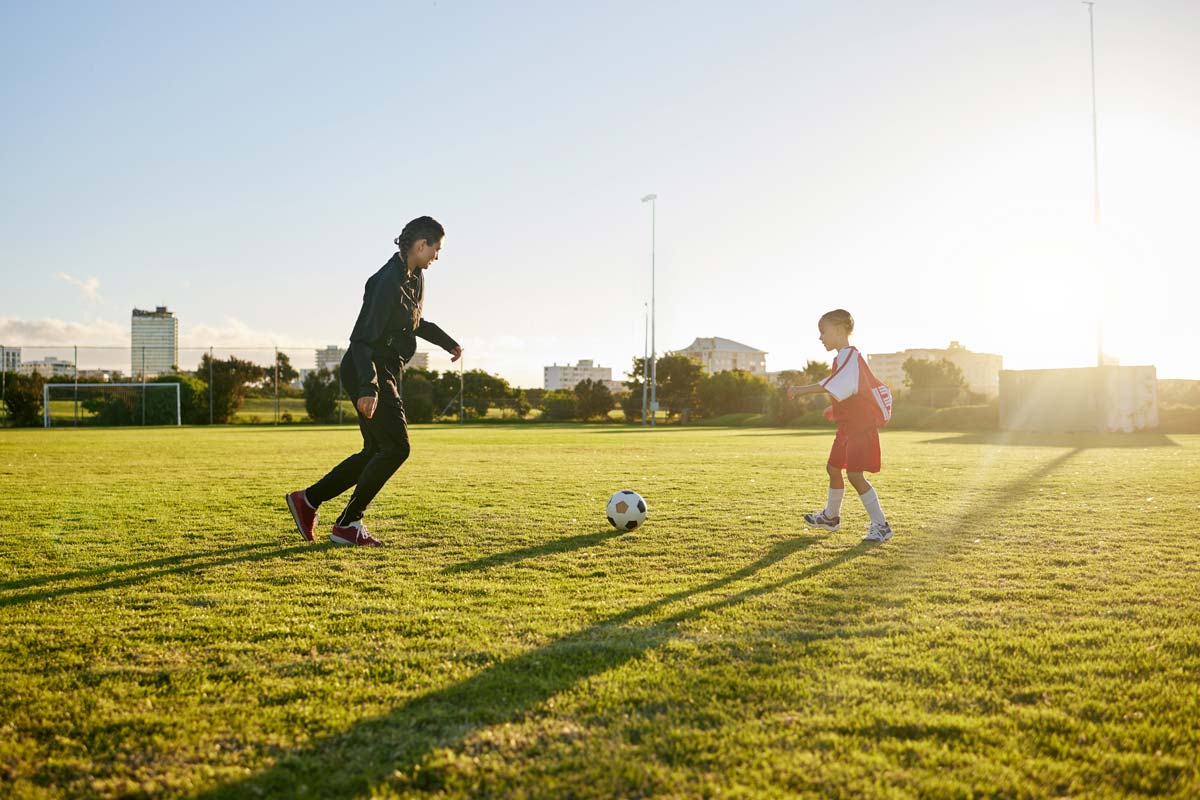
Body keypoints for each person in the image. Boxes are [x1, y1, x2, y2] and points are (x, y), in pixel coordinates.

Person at [286, 216, 462, 546]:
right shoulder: (386, 282)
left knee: (375, 450)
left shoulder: (415, 277)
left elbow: (414, 321)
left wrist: (446, 341)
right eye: (436, 249)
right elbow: (361, 340)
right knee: (397, 447)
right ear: (421, 245)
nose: (437, 256)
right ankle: (347, 524)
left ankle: (307, 500)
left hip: (385, 370)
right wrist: (370, 387)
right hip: (367, 369)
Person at [788, 309, 894, 543]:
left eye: (823, 332)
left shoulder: (850, 356)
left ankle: (882, 526)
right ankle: (831, 517)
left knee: (855, 475)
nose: (820, 337)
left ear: (838, 330)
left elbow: (835, 384)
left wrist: (800, 389)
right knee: (834, 468)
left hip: (860, 427)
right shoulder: (842, 358)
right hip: (848, 428)